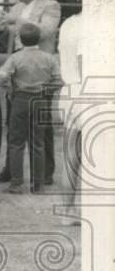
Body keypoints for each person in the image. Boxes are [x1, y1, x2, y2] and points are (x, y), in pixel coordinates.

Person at [0, 23, 62, 194]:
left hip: (20, 99)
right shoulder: (49, 58)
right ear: (39, 38)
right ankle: (38, 185)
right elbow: (58, 81)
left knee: (16, 142)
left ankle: (17, 183)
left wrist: (10, 89)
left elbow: (1, 76)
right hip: (41, 100)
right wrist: (45, 91)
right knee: (38, 142)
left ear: (20, 39)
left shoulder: (15, 57)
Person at [56, 13, 83, 224]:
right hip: (88, 90)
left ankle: (67, 210)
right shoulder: (95, 26)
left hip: (69, 91)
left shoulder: (68, 23)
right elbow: (84, 64)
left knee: (70, 155)